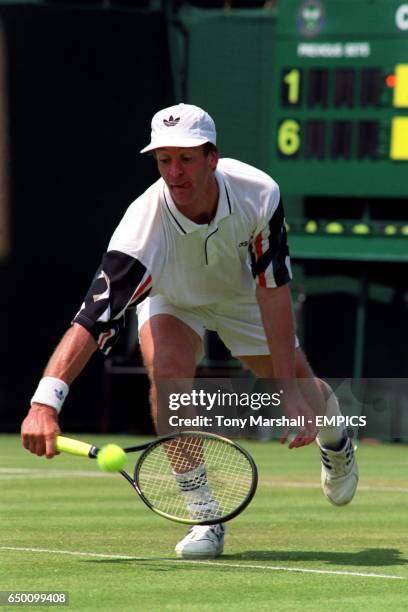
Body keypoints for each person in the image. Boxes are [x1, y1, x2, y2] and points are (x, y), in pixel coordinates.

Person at [21, 103, 358, 559]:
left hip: (243, 295)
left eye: (185, 159)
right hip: (172, 299)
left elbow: (273, 290)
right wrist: (44, 403)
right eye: (164, 160)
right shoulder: (141, 230)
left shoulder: (258, 194)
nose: (174, 172)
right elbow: (91, 319)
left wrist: (285, 389)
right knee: (168, 374)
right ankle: (204, 515)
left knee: (300, 389)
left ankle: (336, 440)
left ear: (212, 158)